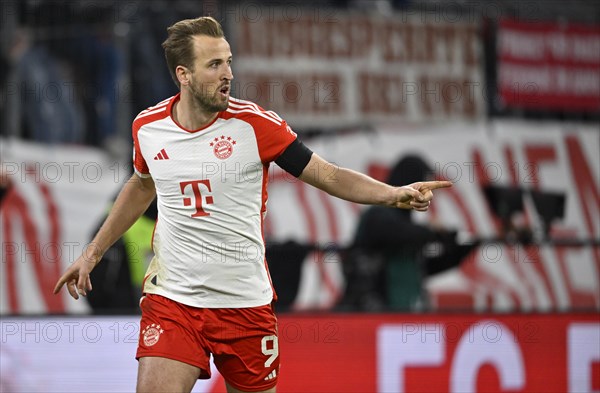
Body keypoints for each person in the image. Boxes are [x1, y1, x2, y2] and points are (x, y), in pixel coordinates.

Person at [53, 16, 452, 393]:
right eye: (214, 64)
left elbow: (327, 174)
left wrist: (391, 193)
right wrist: (93, 252)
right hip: (174, 301)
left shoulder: (256, 126)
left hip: (244, 304)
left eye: (229, 62)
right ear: (183, 75)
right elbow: (141, 186)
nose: (228, 73)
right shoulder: (149, 127)